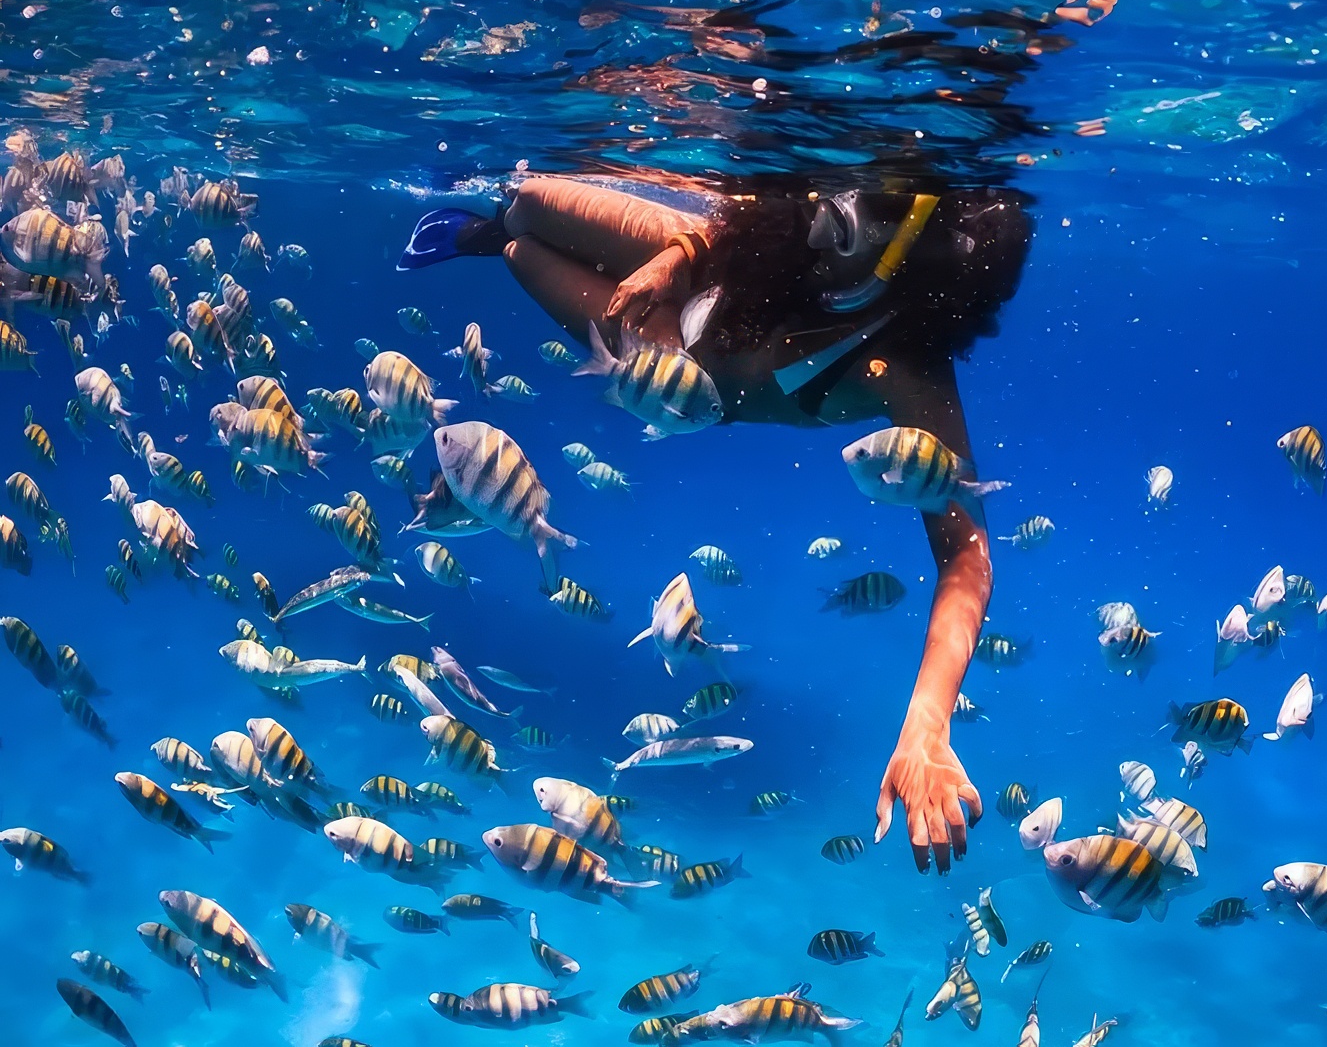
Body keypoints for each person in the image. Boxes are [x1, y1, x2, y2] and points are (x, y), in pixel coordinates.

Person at [401, 174, 1031, 873]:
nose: (830, 214)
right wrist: (679, 257)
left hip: (672, 374)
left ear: (917, 266)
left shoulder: (908, 373)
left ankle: (486, 242)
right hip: (697, 266)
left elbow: (967, 556)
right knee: (527, 202)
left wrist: (927, 725)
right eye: (845, 196)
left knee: (520, 250)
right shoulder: (796, 223)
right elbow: (747, 223)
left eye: (867, 216)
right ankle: (501, 226)